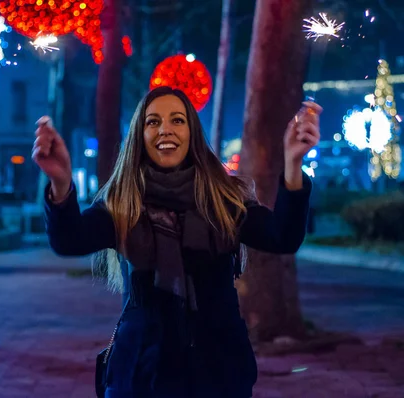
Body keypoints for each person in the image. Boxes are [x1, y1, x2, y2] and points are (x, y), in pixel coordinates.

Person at [33, 86, 321, 398]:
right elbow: (69, 240)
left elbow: (282, 237)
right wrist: (60, 183)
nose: (165, 130)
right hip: (143, 372)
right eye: (153, 122)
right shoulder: (124, 202)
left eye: (177, 120)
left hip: (218, 371)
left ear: (192, 133)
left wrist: (293, 164)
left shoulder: (223, 199)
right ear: (139, 136)